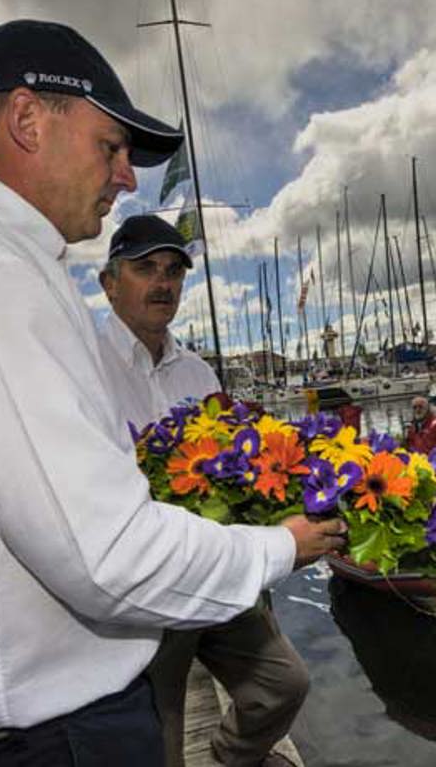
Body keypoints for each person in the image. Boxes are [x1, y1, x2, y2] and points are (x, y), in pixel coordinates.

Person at [0, 20, 345, 767]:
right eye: (111, 147)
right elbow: (104, 554)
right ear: (28, 120)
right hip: (33, 739)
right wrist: (282, 545)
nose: (126, 176)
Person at [97, 215, 306, 767]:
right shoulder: (82, 367)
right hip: (140, 581)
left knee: (283, 684)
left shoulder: (198, 373)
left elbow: (230, 468)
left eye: (173, 271)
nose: (163, 283)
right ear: (109, 282)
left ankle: (230, 758)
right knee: (160, 726)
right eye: (145, 268)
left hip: (206, 562)